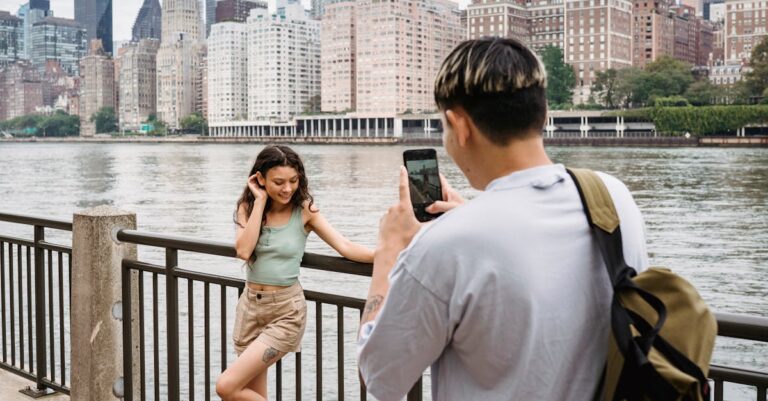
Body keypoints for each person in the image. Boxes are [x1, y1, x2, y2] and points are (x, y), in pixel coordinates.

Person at [357, 37, 650, 401]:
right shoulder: (612, 197)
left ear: (459, 125)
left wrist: (389, 252)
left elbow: (381, 378)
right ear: (543, 114)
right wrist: (472, 217)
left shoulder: (448, 242)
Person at [217, 145, 374, 401]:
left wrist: (390, 254)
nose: (287, 188)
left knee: (227, 386)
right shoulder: (248, 206)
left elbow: (345, 246)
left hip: (285, 312)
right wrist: (259, 202)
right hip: (250, 309)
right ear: (260, 179)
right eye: (278, 182)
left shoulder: (304, 210)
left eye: (293, 181)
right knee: (253, 394)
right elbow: (244, 250)